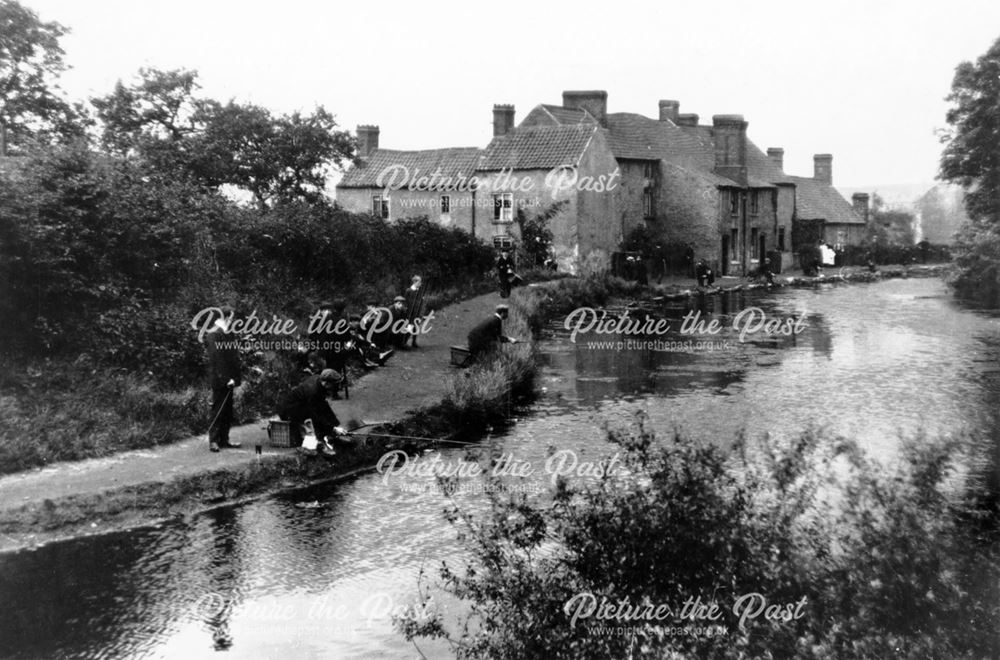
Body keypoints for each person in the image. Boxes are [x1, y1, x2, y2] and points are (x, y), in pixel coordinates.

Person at [278, 369, 347, 454]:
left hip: (302, 405)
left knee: (322, 411)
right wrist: (332, 428)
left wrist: (336, 424)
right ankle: (315, 444)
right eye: (335, 385)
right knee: (313, 422)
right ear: (326, 383)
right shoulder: (312, 392)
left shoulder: (319, 380)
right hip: (290, 410)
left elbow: (324, 406)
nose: (338, 387)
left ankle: (332, 436)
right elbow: (316, 415)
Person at [205, 305, 242, 453]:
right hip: (220, 379)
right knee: (217, 410)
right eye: (232, 317)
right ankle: (213, 441)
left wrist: (234, 378)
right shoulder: (213, 333)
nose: (233, 320)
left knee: (227, 411)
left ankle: (224, 439)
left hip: (229, 379)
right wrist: (226, 378)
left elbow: (232, 357)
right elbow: (217, 359)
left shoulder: (228, 332)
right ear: (226, 317)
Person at [404, 275, 425, 347]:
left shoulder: (419, 291)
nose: (421, 283)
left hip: (417, 312)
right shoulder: (409, 291)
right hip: (410, 313)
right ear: (415, 282)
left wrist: (420, 312)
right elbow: (405, 302)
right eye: (419, 282)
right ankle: (404, 342)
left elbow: (420, 302)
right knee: (409, 327)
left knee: (416, 327)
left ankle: (414, 342)